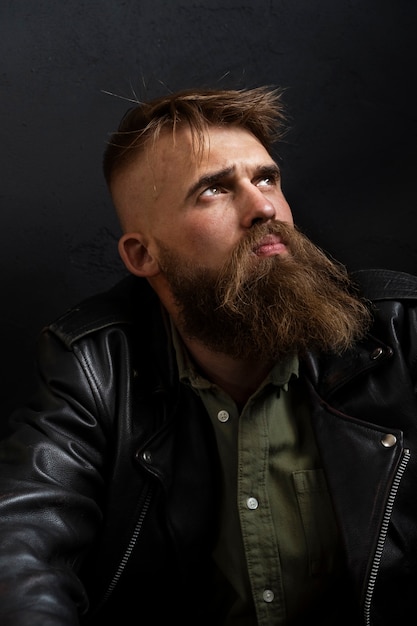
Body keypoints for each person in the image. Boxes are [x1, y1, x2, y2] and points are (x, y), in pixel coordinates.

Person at [0, 85, 416, 626]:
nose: (263, 207)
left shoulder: (399, 331)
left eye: (266, 178)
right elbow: (20, 546)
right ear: (143, 254)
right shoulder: (96, 365)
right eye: (214, 190)